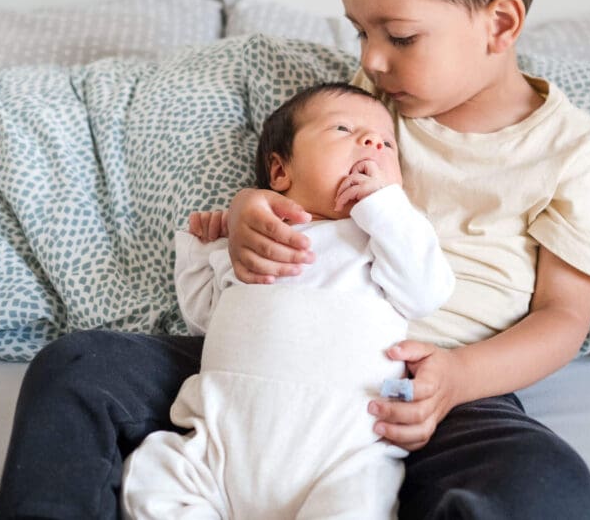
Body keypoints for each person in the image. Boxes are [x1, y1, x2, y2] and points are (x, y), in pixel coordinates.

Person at [0, 0, 590, 518]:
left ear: (499, 23)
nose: (371, 59)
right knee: (77, 367)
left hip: (432, 388)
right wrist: (249, 211)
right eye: (359, 32)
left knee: (549, 484)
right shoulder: (369, 101)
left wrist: (460, 376)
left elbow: (563, 318)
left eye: (399, 36)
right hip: (272, 361)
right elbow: (293, 185)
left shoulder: (569, 151)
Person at [119, 82, 454, 519]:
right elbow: (203, 318)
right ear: (279, 172)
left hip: (342, 458)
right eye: (343, 129)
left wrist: (386, 208)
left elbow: (426, 292)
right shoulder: (254, 243)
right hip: (220, 450)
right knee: (151, 478)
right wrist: (202, 249)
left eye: (387, 143)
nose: (373, 143)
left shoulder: (388, 240)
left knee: (358, 506)